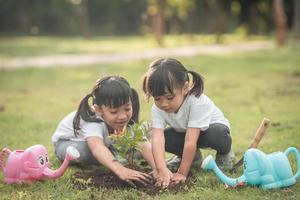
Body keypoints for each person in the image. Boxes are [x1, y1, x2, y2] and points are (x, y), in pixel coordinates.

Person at [142, 58, 234, 188]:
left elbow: (190, 141)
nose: (163, 103)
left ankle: (225, 154)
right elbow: (157, 139)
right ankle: (194, 159)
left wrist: (182, 173)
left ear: (185, 88)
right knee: (160, 137)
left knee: (218, 134)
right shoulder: (157, 108)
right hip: (185, 134)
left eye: (169, 97)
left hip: (210, 132)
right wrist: (161, 168)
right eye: (157, 98)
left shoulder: (196, 101)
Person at [52, 75, 155, 186]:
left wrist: (158, 168)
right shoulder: (93, 119)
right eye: (114, 112)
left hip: (106, 144)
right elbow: (97, 147)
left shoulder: (122, 116)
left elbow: (141, 140)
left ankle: (115, 154)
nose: (122, 116)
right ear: (98, 109)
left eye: (127, 108)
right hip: (69, 144)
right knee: (86, 151)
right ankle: (115, 156)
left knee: (149, 131)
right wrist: (120, 169)